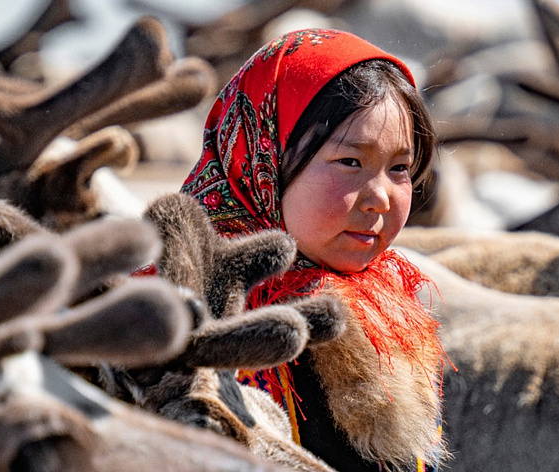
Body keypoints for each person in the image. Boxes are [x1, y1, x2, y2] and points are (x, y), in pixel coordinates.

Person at [181, 28, 449, 472]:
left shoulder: (389, 310)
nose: (380, 197)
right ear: (265, 160)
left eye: (400, 168)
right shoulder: (189, 319)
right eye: (351, 162)